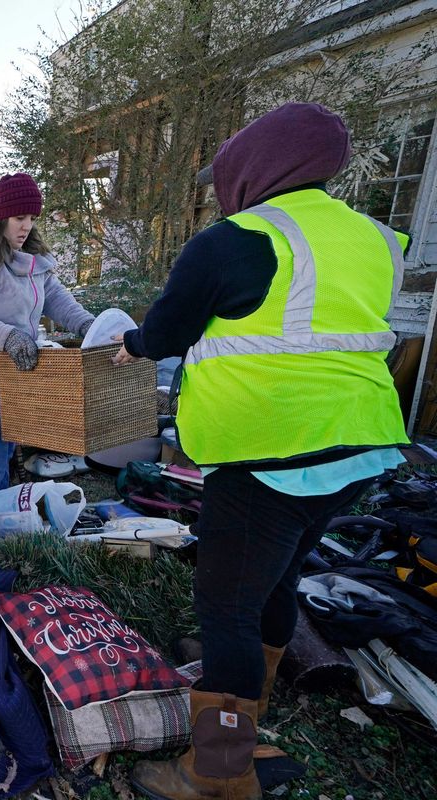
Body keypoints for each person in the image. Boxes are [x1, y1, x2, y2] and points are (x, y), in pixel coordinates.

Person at [112, 103, 408, 800]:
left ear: (253, 170)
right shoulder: (374, 239)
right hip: (358, 449)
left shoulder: (236, 238)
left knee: (226, 607)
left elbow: (166, 329)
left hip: (273, 454)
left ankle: (219, 771)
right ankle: (254, 694)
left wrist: (130, 345)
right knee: (274, 582)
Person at [0, 173, 95, 552]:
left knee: (5, 461)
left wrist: (94, 327)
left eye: (31, 217)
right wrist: (8, 336)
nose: (26, 226)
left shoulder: (33, 260)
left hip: (15, 380)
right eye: (18, 218)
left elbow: (59, 302)